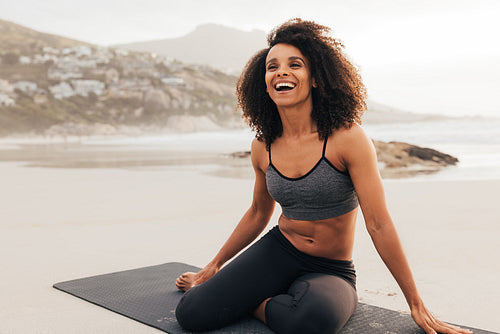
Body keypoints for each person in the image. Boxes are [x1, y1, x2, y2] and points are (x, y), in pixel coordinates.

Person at [174, 18, 472, 334]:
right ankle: (261, 296)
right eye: (272, 66)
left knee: (311, 322)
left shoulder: (348, 138)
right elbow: (259, 212)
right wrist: (213, 267)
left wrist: (416, 303)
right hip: (278, 251)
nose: (281, 71)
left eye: (295, 64)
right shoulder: (262, 146)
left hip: (331, 269)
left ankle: (255, 300)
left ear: (315, 78)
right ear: (264, 83)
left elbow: (379, 223)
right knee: (191, 313)